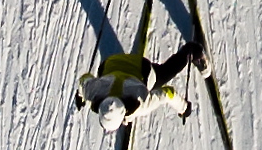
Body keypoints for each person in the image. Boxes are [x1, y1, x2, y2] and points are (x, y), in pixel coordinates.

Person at [74, 32, 202, 121]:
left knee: (167, 71)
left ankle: (192, 50)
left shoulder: (142, 103)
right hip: (112, 61)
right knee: (103, 73)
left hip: (141, 66)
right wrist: (81, 94)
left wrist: (184, 108)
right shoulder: (91, 92)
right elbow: (84, 79)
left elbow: (168, 93)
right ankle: (191, 51)